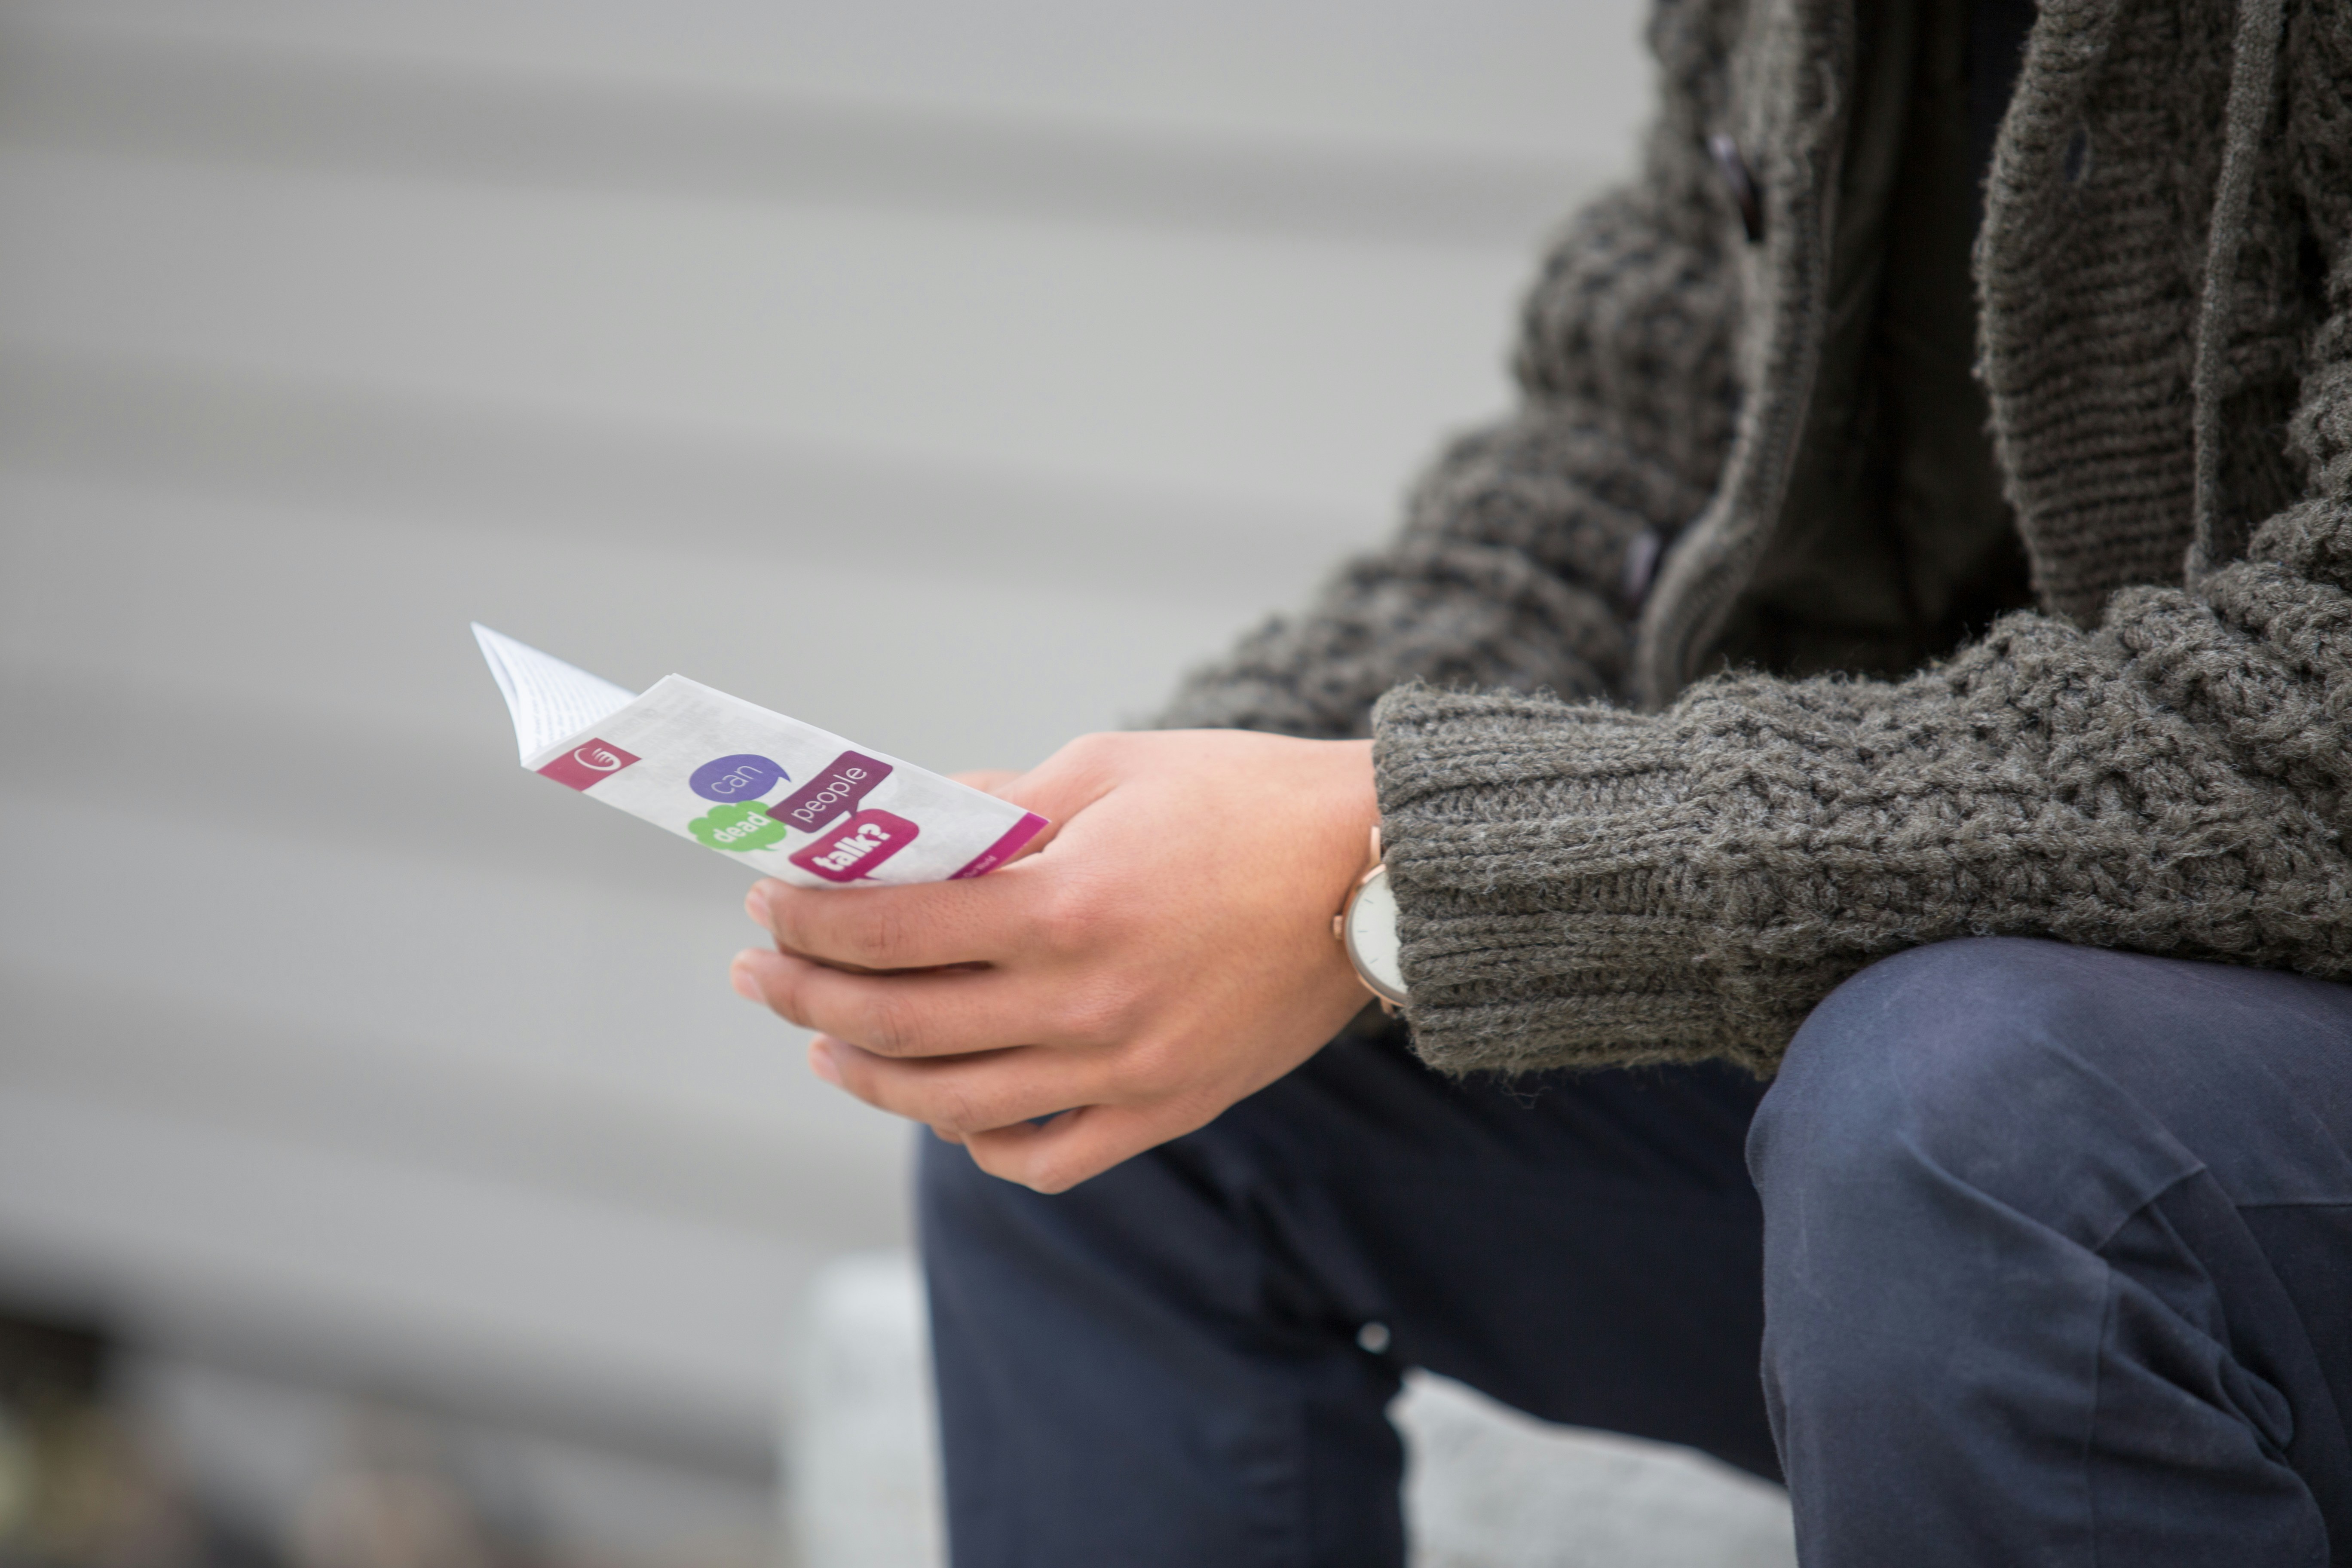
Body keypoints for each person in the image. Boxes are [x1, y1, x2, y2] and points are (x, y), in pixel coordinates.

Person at [729, 0, 2352, 1559]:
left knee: (1961, 1113)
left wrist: (1392, 863)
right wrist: (1193, 837)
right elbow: (1631, 468)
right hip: (1917, 1200)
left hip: (2084, 1163)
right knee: (1112, 1081)